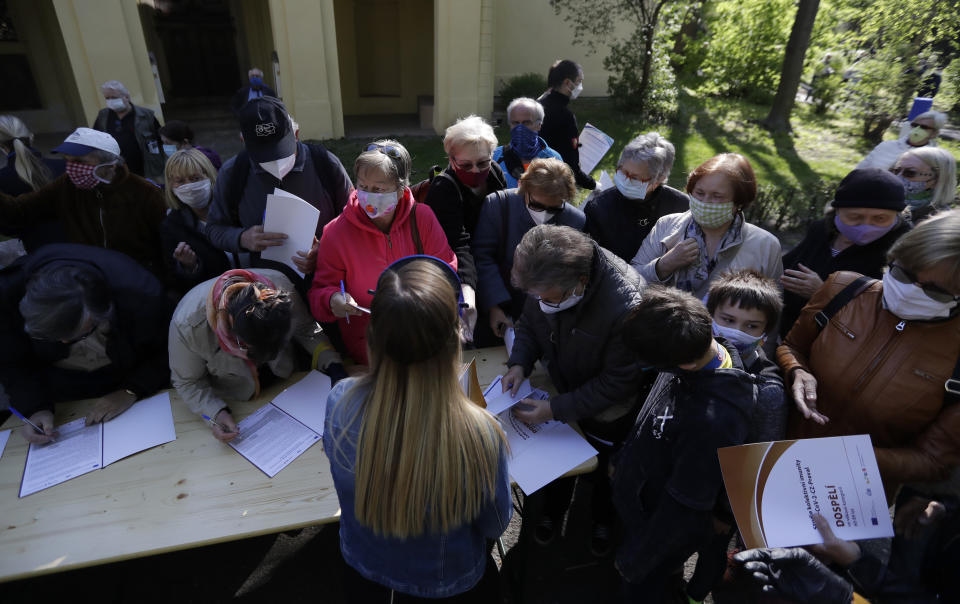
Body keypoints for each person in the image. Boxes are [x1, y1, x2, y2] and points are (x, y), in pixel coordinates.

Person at [323, 256, 511, 602]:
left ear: (372, 338)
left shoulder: (340, 402)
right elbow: (495, 524)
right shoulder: (480, 433)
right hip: (447, 583)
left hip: (364, 569)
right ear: (454, 340)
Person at [778, 209, 960, 497]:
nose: (910, 290)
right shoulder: (843, 289)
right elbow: (791, 346)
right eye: (902, 273)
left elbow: (935, 461)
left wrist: (854, 459)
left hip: (854, 496)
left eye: (935, 291)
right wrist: (797, 370)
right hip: (777, 459)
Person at [612, 284, 759, 603]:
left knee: (643, 589)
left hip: (656, 536)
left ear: (685, 367)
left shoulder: (715, 421)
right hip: (641, 507)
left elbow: (684, 507)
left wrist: (636, 560)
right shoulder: (693, 345)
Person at [503, 225, 644, 554]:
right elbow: (531, 323)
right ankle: (552, 511)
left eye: (548, 298)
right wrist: (519, 363)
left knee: (603, 474)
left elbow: (620, 381)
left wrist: (553, 409)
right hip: (564, 386)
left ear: (580, 282)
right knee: (559, 463)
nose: (541, 302)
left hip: (608, 412)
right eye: (536, 296)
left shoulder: (626, 308)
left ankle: (601, 520)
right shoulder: (546, 275)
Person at [0, 244, 170, 444]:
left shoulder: (142, 295)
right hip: (64, 392)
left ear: (101, 314)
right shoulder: (7, 294)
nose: (64, 343)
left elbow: (168, 351)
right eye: (51, 338)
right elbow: (12, 361)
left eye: (78, 336)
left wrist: (132, 389)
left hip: (133, 377)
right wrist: (34, 407)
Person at [308, 140, 456, 366]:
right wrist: (333, 299)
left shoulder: (423, 218)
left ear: (400, 190)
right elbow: (319, 292)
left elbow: (446, 270)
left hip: (422, 335)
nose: (368, 196)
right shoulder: (336, 232)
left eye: (378, 189)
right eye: (363, 186)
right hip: (370, 346)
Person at [169, 268, 344, 442]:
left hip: (290, 388)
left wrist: (334, 365)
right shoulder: (187, 325)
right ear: (231, 324)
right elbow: (187, 382)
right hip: (237, 403)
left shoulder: (281, 288)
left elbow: (308, 329)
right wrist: (215, 415)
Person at [206, 96, 353, 289]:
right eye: (264, 156)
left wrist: (325, 250)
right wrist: (243, 238)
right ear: (244, 141)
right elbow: (214, 229)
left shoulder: (325, 163)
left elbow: (354, 219)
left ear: (296, 134)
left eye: (281, 151)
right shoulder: (233, 173)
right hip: (267, 289)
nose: (275, 162)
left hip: (327, 281)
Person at [0, 127, 167, 280]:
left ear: (110, 164)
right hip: (89, 276)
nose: (72, 168)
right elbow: (20, 210)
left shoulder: (145, 193)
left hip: (138, 278)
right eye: (68, 160)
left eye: (80, 161)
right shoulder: (66, 185)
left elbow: (166, 245)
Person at [630, 153, 783, 300]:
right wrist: (664, 265)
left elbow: (772, 309)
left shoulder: (766, 246)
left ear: (739, 202)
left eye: (717, 196)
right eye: (699, 193)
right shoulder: (667, 226)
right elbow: (630, 282)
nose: (705, 201)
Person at [779, 168, 911, 338]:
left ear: (897, 216)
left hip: (839, 347)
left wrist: (824, 293)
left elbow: (890, 315)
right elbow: (784, 267)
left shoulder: (904, 251)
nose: (866, 226)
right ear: (837, 210)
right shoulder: (821, 230)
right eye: (855, 217)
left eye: (880, 219)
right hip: (789, 334)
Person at [472, 157, 585, 342]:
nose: (545, 214)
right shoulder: (498, 205)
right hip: (502, 307)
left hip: (549, 314)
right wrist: (494, 305)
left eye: (554, 209)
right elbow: (482, 256)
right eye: (537, 205)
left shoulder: (575, 220)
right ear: (523, 188)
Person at [423, 115, 506, 340]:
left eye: (482, 163)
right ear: (451, 161)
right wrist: (468, 290)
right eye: (465, 165)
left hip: (490, 261)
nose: (475, 170)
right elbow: (458, 245)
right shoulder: (444, 190)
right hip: (461, 271)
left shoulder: (495, 173)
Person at [707, 269, 788, 443]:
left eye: (751, 326)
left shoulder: (767, 391)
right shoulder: (686, 358)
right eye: (728, 320)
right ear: (710, 317)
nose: (737, 332)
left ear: (764, 334)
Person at [583, 132, 688, 263]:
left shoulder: (681, 207)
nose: (625, 180)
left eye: (634, 178)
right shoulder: (599, 208)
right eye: (623, 171)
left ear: (657, 181)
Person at [160, 149, 232, 296]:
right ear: (171, 186)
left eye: (195, 178)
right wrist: (190, 266)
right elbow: (177, 283)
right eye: (180, 181)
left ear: (209, 176)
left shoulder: (235, 207)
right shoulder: (172, 227)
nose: (189, 186)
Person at [0, 115, 66, 251]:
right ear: (31, 137)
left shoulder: (3, 178)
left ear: (1, 147)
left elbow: (7, 226)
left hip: (38, 253)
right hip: (80, 247)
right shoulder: (65, 167)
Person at [537, 59, 595, 190]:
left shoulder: (537, 105)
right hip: (553, 184)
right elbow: (570, 167)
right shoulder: (565, 116)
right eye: (579, 81)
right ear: (568, 83)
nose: (580, 86)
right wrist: (593, 184)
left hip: (532, 176)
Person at [92, 80, 165, 180]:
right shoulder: (103, 116)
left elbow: (161, 140)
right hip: (115, 170)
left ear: (126, 97)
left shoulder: (146, 115)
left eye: (114, 97)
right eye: (107, 98)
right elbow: (96, 139)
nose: (110, 101)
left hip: (144, 169)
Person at [491, 97, 562, 188]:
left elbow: (561, 196)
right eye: (515, 123)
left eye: (526, 123)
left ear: (539, 125)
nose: (520, 128)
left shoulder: (553, 158)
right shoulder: (495, 157)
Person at [857, 110, 947, 171]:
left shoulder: (934, 159)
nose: (917, 129)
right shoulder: (886, 146)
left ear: (934, 133)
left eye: (924, 127)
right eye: (915, 125)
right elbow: (860, 169)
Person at [892, 146, 957, 224]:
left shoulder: (939, 222)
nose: (897, 177)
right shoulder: (882, 197)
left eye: (910, 173)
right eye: (897, 170)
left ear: (937, 180)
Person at [158, 119, 222, 170]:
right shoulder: (179, 159)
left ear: (185, 142)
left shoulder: (203, 159)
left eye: (168, 143)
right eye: (163, 142)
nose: (165, 146)